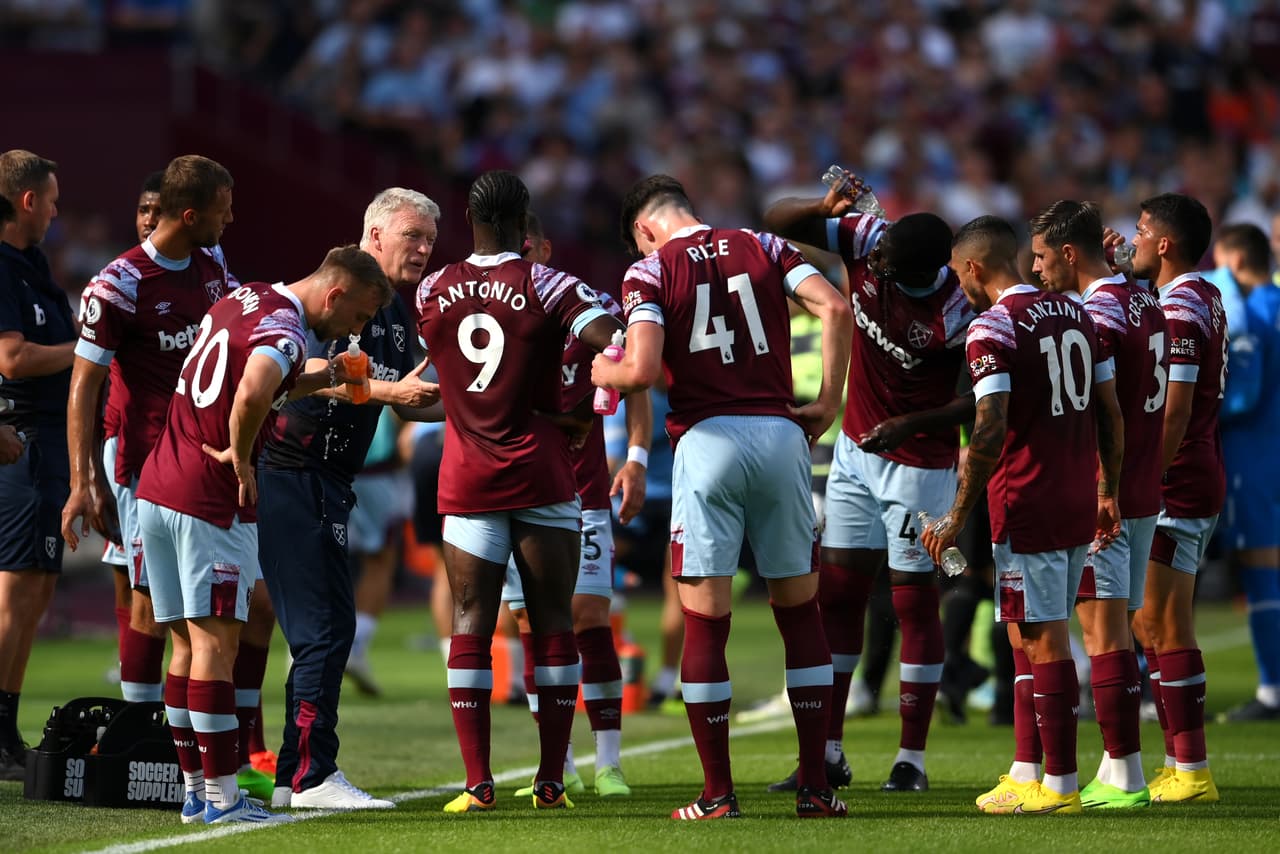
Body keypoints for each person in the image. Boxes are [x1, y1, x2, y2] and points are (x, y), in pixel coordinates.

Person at [593, 174, 853, 820]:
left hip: (707, 441)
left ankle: (717, 794)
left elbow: (642, 371)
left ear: (645, 230)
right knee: (801, 615)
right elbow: (835, 307)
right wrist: (827, 401)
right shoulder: (764, 245)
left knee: (706, 621)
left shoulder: (650, 270)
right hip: (781, 434)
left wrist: (608, 370)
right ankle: (816, 788)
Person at [135, 245, 391, 825]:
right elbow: (253, 392)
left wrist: (330, 374)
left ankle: (197, 792)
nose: (353, 331)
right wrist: (242, 457)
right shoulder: (288, 330)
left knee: (184, 647)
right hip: (208, 497)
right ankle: (223, 797)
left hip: (159, 484)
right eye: (356, 317)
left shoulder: (246, 296)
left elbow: (264, 381)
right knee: (215, 648)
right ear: (335, 294)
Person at [62, 155, 277, 799]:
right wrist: (84, 479)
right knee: (157, 611)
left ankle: (235, 750)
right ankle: (143, 744)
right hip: (142, 465)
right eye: (223, 209)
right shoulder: (118, 284)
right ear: (190, 214)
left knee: (244, 609)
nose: (230, 220)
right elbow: (84, 385)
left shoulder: (213, 265)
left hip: (204, 461)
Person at [416, 170, 626, 813]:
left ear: (470, 219)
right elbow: (614, 341)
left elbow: (437, 371)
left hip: (468, 476)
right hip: (541, 471)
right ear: (522, 220)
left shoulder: (432, 286)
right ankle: (551, 781)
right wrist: (582, 406)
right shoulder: (548, 283)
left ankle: (476, 783)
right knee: (555, 622)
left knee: (471, 623)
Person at [762, 174, 974, 793]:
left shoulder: (958, 309)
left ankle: (912, 760)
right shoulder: (867, 237)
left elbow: (981, 398)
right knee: (837, 597)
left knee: (914, 604)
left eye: (887, 264)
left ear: (921, 272)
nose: (873, 264)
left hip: (920, 467)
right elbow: (777, 220)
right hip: (855, 452)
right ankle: (828, 753)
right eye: (876, 255)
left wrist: (914, 423)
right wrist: (820, 207)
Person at [924, 214, 1121, 816]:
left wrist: (956, 515)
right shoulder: (1079, 313)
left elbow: (988, 429)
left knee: (1043, 636)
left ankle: (1059, 784)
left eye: (957, 273)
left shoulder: (992, 327)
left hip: (1028, 499)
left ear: (973, 267)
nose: (958, 285)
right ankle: (1026, 770)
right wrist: (1107, 487)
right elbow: (1110, 411)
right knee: (1022, 633)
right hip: (1075, 494)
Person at [258, 187, 441, 810]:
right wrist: (389, 395)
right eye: (413, 235)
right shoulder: (331, 296)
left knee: (330, 628)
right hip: (292, 471)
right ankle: (311, 776)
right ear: (375, 234)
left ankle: (293, 774)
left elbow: (414, 398)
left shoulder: (395, 311)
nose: (423, 249)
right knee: (320, 631)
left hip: (330, 482)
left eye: (430, 240)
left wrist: (485, 407)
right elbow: (297, 378)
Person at [500, 210, 651, 799]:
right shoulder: (496, 314)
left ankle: (609, 762)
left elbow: (633, 380)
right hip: (516, 494)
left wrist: (635, 457)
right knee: (531, 626)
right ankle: (557, 763)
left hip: (583, 493)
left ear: (544, 249)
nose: (518, 262)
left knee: (588, 618)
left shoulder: (589, 309)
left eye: (526, 250)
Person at [1030, 199, 1168, 809]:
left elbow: (1098, 412)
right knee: (1116, 627)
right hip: (1142, 486)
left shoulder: (1092, 316)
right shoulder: (1142, 298)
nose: (1036, 270)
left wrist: (1097, 488)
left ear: (1068, 253)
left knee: (1103, 633)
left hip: (1103, 492)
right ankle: (1116, 766)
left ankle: (1127, 777)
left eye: (1042, 257)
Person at [1124, 193, 1224, 803]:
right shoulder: (1195, 294)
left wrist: (1143, 480)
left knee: (1165, 622)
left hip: (1176, 481)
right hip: (1181, 478)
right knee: (1148, 624)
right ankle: (1177, 762)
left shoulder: (1182, 309)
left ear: (1163, 244)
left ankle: (1192, 769)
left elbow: (1176, 411)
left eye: (1139, 230)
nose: (1131, 238)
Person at [0, 150, 76, 780]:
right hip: (21, 442)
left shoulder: (32, 265)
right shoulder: (2, 267)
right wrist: (87, 350)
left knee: (36, 590)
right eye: (50, 200)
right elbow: (13, 359)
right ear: (27, 200)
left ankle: (6, 731)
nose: (55, 211)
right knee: (17, 591)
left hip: (45, 444)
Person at [1206, 224, 1280, 722]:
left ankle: (1273, 691)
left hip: (1253, 456)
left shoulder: (1250, 313)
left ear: (1233, 260)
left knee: (1260, 568)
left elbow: (1243, 396)